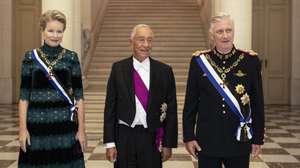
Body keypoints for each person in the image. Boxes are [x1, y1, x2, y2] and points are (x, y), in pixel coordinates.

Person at [182, 13, 265, 168]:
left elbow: (257, 103)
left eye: (229, 30)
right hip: (207, 140)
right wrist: (188, 136)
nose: (225, 35)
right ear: (212, 34)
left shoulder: (250, 61)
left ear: (234, 32)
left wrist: (258, 138)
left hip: (239, 140)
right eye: (220, 31)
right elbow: (190, 103)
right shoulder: (199, 61)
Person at [18, 10, 86, 168]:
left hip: (65, 129)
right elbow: (23, 97)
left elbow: (79, 97)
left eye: (59, 31)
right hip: (36, 128)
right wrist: (22, 129)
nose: (55, 35)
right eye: (50, 30)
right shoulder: (30, 58)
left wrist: (81, 130)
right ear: (42, 30)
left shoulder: (71, 58)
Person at [103, 24, 178, 168]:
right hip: (124, 137)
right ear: (131, 41)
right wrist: (110, 143)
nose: (146, 45)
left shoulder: (164, 71)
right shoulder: (118, 68)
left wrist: (168, 144)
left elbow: (172, 111)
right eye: (141, 40)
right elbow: (110, 109)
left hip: (152, 137)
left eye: (150, 40)